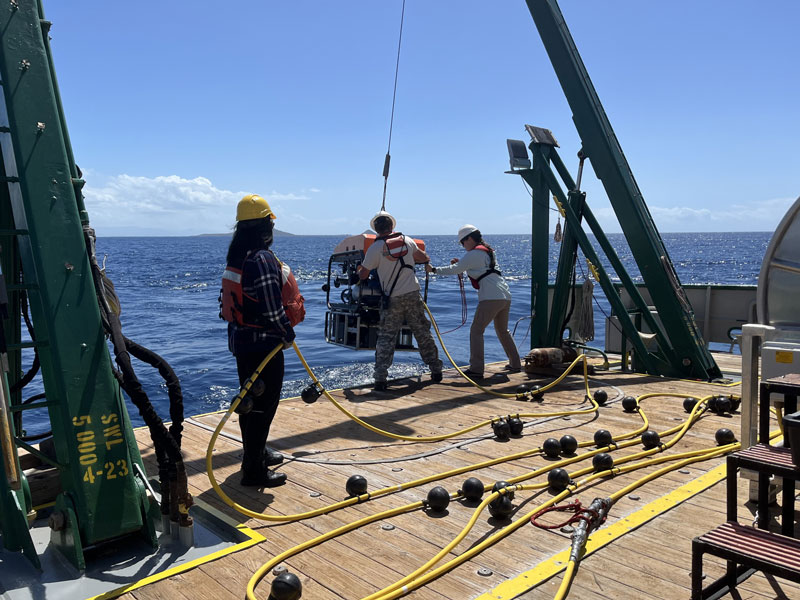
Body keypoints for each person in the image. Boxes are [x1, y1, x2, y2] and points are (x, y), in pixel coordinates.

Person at [220, 194, 296, 487]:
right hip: (264, 344)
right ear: (266, 225)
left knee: (249, 401)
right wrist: (287, 332)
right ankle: (253, 470)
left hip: (242, 342)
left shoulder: (237, 257)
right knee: (264, 406)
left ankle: (257, 451)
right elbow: (270, 307)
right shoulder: (262, 258)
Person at [357, 210, 443, 390]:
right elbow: (424, 258)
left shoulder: (375, 248)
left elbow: (364, 274)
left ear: (376, 230)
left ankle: (380, 379)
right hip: (413, 294)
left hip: (392, 299)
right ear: (392, 226)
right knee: (422, 333)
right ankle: (436, 370)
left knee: (386, 338)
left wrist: (361, 270)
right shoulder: (407, 241)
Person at [425, 224, 521, 378]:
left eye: (463, 242)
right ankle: (515, 364)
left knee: (476, 331)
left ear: (469, 238)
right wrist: (462, 265)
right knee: (503, 331)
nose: (463, 246)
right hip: (505, 295)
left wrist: (434, 270)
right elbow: (476, 268)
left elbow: (456, 269)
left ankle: (476, 369)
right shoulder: (488, 251)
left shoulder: (474, 253)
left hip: (490, 297)